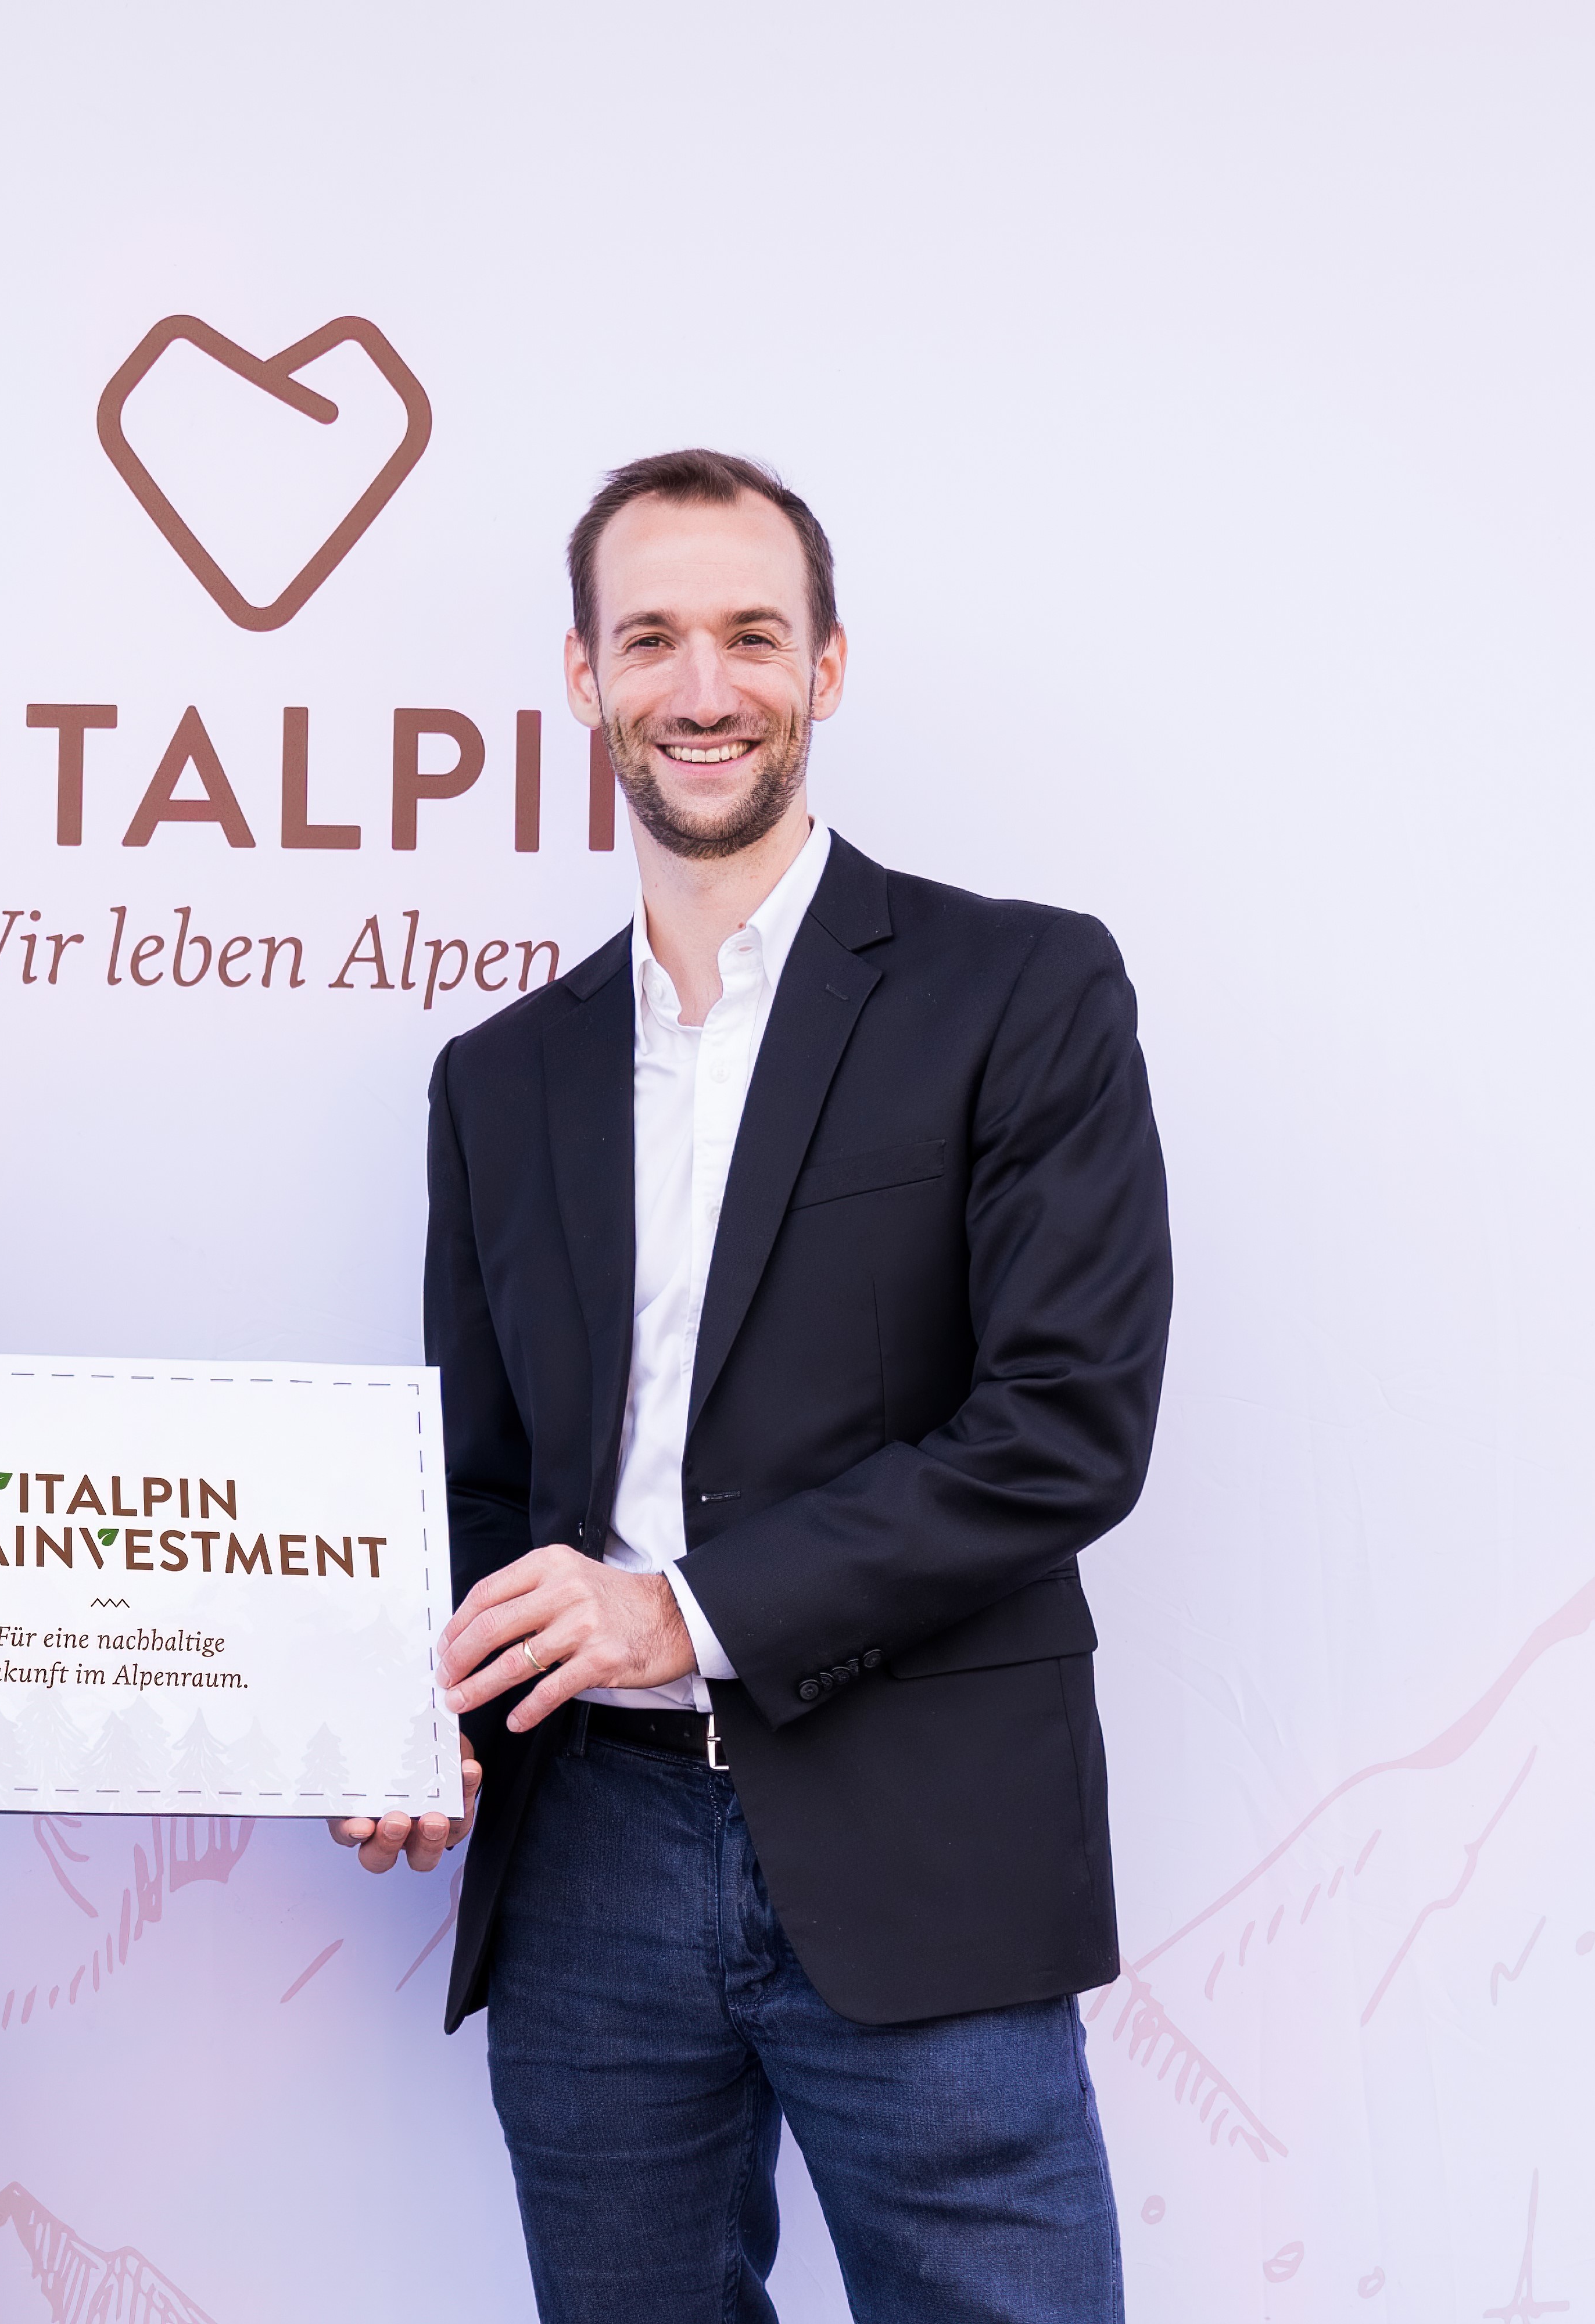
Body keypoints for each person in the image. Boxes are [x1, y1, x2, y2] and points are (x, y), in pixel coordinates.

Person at [344, 452, 1174, 2322]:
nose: (701, 688)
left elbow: (1065, 1426)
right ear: (584, 679)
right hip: (590, 1857)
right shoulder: (500, 1079)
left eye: (750, 636)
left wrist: (683, 1613)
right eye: (651, 640)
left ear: (828, 666)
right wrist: (413, 1721)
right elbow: (476, 1486)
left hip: (920, 1832)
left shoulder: (1022, 990)